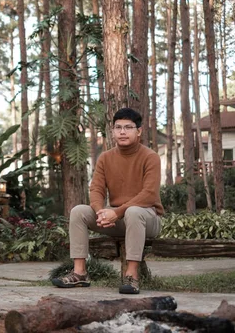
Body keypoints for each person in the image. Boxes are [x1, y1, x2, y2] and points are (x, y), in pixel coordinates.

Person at [51, 107, 164, 294]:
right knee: (78, 211)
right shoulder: (105, 158)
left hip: (147, 217)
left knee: (133, 212)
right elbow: (96, 189)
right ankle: (80, 273)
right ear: (112, 131)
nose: (122, 131)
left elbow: (149, 194)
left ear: (139, 131)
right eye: (118, 127)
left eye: (128, 127)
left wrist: (116, 212)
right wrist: (100, 211)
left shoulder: (150, 157)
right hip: (117, 218)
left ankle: (132, 276)